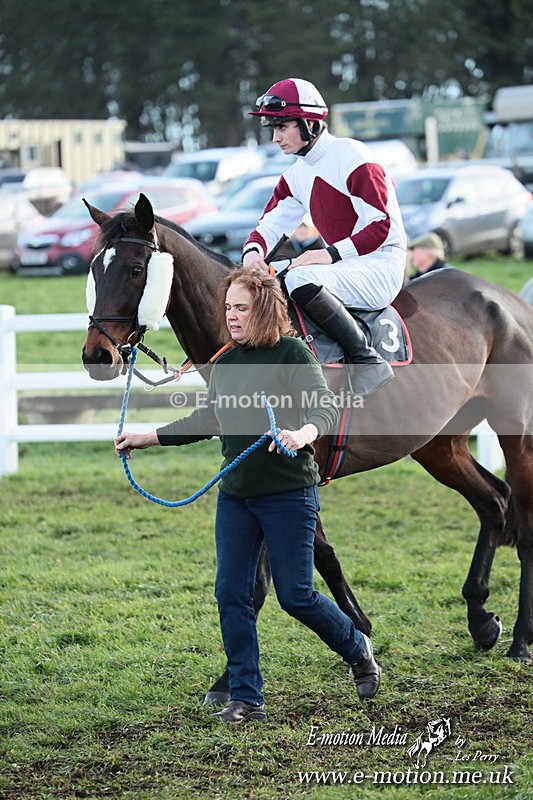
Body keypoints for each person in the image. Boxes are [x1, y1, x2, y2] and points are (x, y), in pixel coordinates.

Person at [114, 267, 382, 723]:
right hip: (236, 497)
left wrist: (303, 433)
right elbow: (209, 419)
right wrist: (148, 437)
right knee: (231, 594)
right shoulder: (225, 363)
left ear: (264, 310)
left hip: (288, 495)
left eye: (241, 308)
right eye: (228, 308)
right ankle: (246, 698)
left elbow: (324, 406)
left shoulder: (293, 354)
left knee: (296, 596)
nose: (231, 316)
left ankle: (357, 648)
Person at [242, 77, 407, 398]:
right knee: (275, 278)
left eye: (282, 127)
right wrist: (252, 254)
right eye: (272, 129)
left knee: (300, 277)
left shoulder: (353, 156)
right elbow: (270, 225)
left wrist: (328, 254)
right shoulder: (295, 174)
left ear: (310, 123)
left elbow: (383, 227)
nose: (275, 137)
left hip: (381, 264)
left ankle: (367, 360)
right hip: (344, 268)